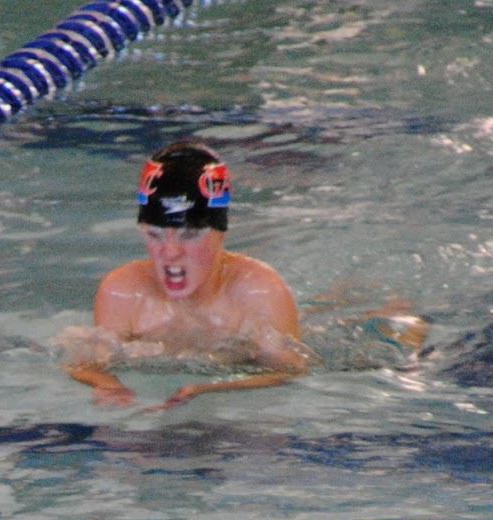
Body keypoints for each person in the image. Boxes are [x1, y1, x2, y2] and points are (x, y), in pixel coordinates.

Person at [62, 140, 316, 410]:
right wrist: (108, 384)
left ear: (221, 232)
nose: (170, 252)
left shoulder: (260, 293)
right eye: (155, 234)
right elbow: (85, 365)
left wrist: (208, 390)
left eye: (191, 234)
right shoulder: (122, 292)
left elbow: (291, 373)